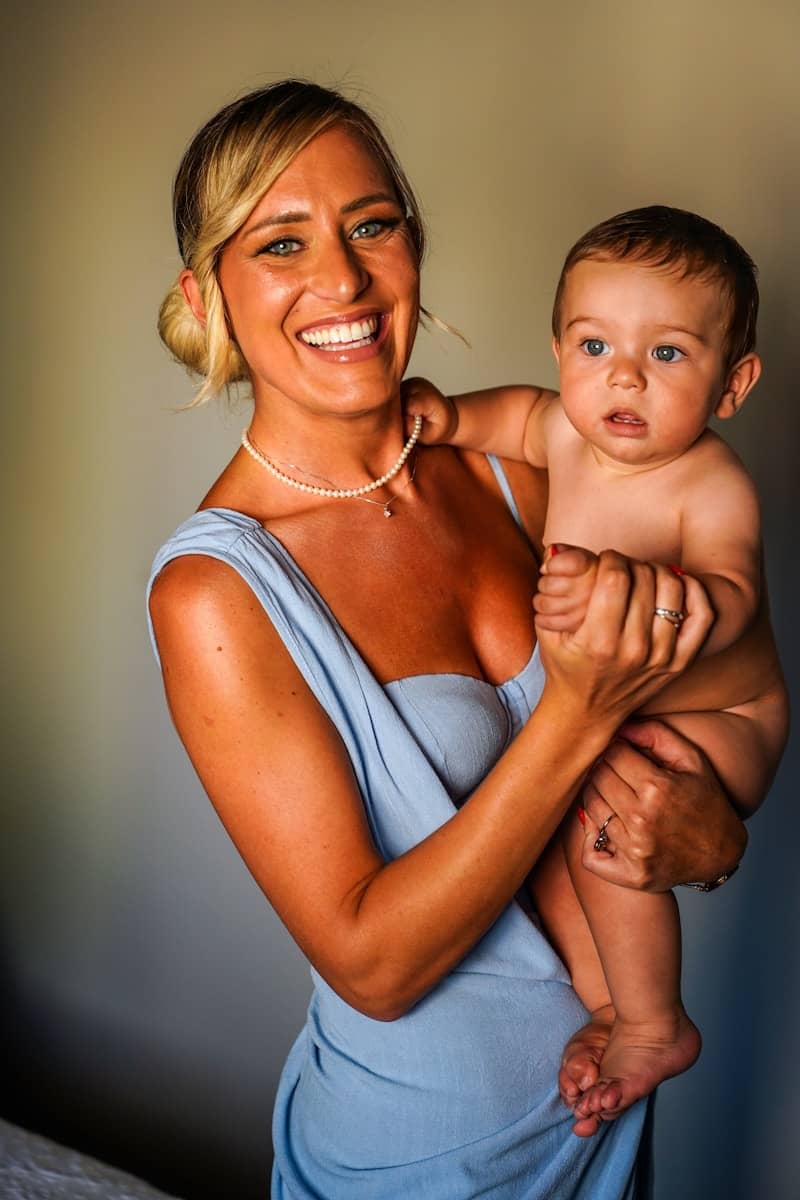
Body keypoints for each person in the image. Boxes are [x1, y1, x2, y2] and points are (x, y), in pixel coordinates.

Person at [147, 82, 787, 1198]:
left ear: (410, 243)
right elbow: (374, 967)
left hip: (606, 1120)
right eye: (281, 244)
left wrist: (713, 836)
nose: (341, 278)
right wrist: (580, 712)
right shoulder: (216, 589)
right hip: (419, 1159)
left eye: (370, 224)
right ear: (209, 296)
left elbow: (711, 686)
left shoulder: (520, 467)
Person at [403, 205, 781, 1131]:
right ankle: (608, 999)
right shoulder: (566, 431)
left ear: (732, 385)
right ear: (561, 348)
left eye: (667, 355)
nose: (622, 375)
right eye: (594, 343)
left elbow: (728, 597)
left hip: (724, 721)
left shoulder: (710, 484)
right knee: (563, 829)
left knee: (610, 815)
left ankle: (655, 1023)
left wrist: (639, 594)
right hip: (625, 714)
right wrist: (449, 416)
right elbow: (517, 417)